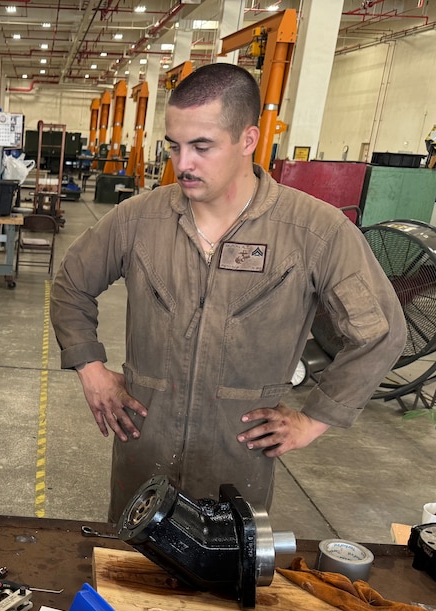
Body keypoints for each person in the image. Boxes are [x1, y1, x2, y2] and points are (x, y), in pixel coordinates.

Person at [50, 63, 407, 522]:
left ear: (247, 139)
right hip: (143, 451)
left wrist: (314, 420)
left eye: (202, 147)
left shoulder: (314, 232)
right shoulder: (139, 220)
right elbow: (72, 284)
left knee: (226, 559)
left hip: (237, 462)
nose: (183, 164)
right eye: (174, 146)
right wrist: (91, 369)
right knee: (132, 556)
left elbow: (381, 330)